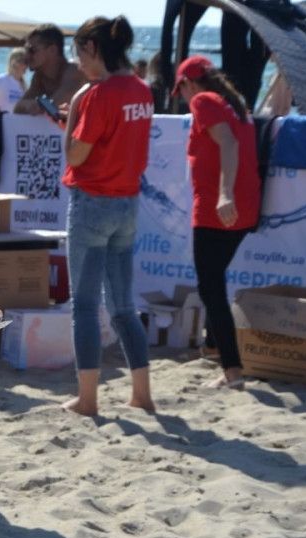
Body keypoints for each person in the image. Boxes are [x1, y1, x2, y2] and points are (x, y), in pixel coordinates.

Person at [59, 15, 154, 417]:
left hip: (93, 203)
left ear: (92, 48)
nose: (78, 62)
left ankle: (88, 400)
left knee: (84, 305)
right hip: (126, 203)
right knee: (122, 307)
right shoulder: (141, 89)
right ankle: (142, 394)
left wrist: (73, 115)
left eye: (79, 52)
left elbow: (75, 155)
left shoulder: (97, 95)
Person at [174, 55, 260, 390]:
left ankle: (232, 370)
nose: (183, 97)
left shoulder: (204, 100)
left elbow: (228, 143)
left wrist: (224, 194)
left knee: (211, 287)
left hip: (218, 210)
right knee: (213, 282)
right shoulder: (233, 103)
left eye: (181, 89)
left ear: (188, 83)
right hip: (243, 209)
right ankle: (213, 347)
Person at [13, 23, 86, 115]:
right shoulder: (40, 77)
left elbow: (53, 107)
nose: (27, 55)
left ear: (52, 50)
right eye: (26, 50)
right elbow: (17, 109)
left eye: (32, 50)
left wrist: (34, 105)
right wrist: (31, 105)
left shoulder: (74, 71)